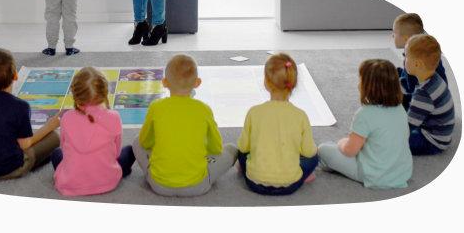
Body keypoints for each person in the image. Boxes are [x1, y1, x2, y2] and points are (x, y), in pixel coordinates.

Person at [132, 54, 237, 196]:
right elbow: (216, 148)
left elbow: (145, 142)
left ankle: (160, 169)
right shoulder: (204, 109)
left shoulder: (155, 107)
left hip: (159, 185)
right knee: (231, 149)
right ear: (197, 83)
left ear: (164, 82)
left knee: (136, 141)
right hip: (197, 185)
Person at [0, 49, 60, 178]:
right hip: (8, 169)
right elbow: (25, 144)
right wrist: (49, 126)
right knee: (55, 137)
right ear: (15, 75)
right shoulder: (21, 106)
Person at [318, 59, 413, 188]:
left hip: (373, 176)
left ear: (367, 86)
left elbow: (350, 151)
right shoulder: (400, 109)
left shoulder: (365, 114)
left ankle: (328, 164)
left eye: (360, 79)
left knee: (323, 149)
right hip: (402, 173)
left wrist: (341, 142)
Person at [236, 52, 319, 195]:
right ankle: (304, 175)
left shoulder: (254, 112)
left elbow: (243, 147)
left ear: (266, 82)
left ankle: (248, 169)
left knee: (241, 154)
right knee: (315, 157)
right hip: (290, 184)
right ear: (293, 83)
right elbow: (308, 152)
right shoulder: (301, 115)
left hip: (254, 182)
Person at [51, 67, 135, 196]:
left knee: (56, 153)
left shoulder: (66, 117)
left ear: (76, 96)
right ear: (105, 93)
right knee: (130, 150)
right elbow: (116, 153)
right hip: (107, 181)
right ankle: (121, 172)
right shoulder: (114, 117)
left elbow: (64, 148)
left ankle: (76, 176)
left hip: (70, 183)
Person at [405, 34, 455, 155]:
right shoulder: (435, 78)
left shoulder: (423, 93)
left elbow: (408, 126)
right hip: (441, 133)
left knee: (394, 140)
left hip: (432, 141)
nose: (404, 60)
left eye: (406, 56)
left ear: (417, 64)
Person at [392, 13, 447, 109]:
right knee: (394, 72)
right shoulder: (427, 50)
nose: (392, 36)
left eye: (394, 33)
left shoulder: (413, 62)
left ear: (406, 39)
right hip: (437, 93)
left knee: (388, 94)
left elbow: (410, 89)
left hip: (425, 101)